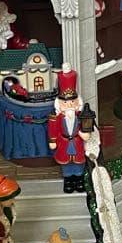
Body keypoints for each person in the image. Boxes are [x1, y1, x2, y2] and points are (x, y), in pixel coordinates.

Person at [47, 65, 87, 194]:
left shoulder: (82, 116)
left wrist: (85, 133)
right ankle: (68, 180)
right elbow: (53, 129)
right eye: (65, 103)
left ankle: (79, 179)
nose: (69, 105)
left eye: (72, 102)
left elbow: (87, 126)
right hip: (63, 142)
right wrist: (53, 141)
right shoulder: (56, 118)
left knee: (78, 162)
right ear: (59, 104)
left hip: (77, 142)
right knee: (66, 163)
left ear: (78, 102)